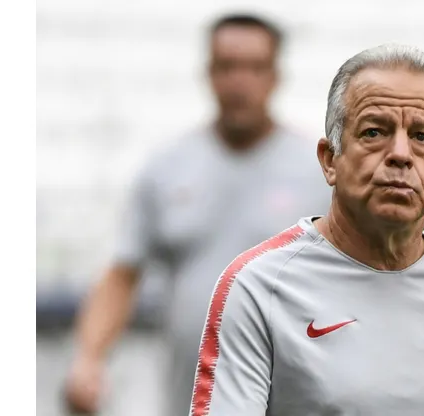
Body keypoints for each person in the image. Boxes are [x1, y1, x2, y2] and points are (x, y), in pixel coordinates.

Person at [189, 44, 424, 416]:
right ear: (330, 160)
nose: (401, 153)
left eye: (422, 136)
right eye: (374, 131)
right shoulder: (259, 288)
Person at [63, 13, 330, 416]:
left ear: (276, 76)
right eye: (227, 66)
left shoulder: (319, 172)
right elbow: (122, 274)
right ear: (208, 73)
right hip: (189, 402)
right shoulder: (167, 167)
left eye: (254, 67)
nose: (239, 81)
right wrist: (88, 359)